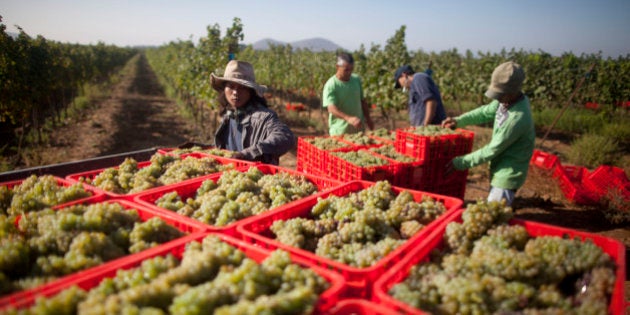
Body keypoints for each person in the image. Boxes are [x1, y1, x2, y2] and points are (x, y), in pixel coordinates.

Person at [442, 61, 535, 206]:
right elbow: (484, 112)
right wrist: (458, 121)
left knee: (493, 215)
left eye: (500, 94)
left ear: (511, 92)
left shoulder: (517, 117)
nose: (496, 98)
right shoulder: (506, 101)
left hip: (508, 172)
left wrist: (460, 163)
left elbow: (492, 149)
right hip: (499, 166)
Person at [211, 60, 296, 165]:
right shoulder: (228, 117)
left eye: (242, 87)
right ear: (224, 89)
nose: (235, 93)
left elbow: (285, 137)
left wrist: (248, 154)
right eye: (231, 86)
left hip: (255, 178)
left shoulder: (263, 117)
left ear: (251, 91)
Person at [322, 52, 374, 135]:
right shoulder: (331, 85)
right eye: (346, 70)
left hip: (358, 131)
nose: (349, 72)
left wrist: (368, 119)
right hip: (340, 132)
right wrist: (348, 118)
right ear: (337, 67)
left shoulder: (356, 79)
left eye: (351, 69)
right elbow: (331, 108)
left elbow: (362, 101)